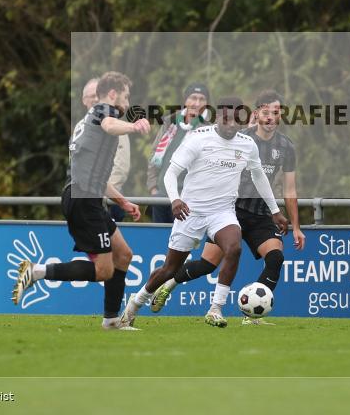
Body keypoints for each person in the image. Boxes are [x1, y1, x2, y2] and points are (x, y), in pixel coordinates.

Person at [121, 96, 282, 328]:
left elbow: (259, 177)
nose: (232, 124)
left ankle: (215, 308)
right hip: (191, 212)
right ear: (218, 117)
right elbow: (170, 173)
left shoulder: (247, 144)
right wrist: (175, 200)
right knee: (170, 269)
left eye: (237, 120)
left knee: (234, 248)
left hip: (222, 212)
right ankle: (134, 305)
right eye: (227, 119)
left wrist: (275, 210)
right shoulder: (198, 139)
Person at [149, 90, 305, 325]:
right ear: (256, 114)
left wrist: (295, 225)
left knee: (275, 258)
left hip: (261, 214)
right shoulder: (239, 136)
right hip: (230, 211)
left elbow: (290, 189)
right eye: (266, 112)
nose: (271, 117)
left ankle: (251, 315)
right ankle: (169, 284)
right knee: (206, 265)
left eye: (276, 112)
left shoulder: (286, 146)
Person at [12, 72, 150, 330]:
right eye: (126, 96)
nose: (128, 103)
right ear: (112, 94)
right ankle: (37, 271)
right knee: (104, 271)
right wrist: (133, 126)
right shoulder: (103, 112)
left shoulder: (88, 120)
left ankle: (111, 320)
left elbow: (94, 173)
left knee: (124, 254)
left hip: (88, 196)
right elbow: (110, 125)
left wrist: (121, 201)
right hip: (83, 199)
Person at [146, 82, 211, 223]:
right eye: (193, 98)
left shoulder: (210, 128)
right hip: (163, 194)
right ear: (185, 100)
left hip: (190, 199)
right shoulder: (171, 121)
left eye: (202, 99)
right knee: (159, 237)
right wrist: (153, 188)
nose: (197, 103)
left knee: (182, 243)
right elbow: (155, 153)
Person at [83, 78, 134, 223]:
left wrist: (106, 195)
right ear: (84, 100)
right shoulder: (83, 125)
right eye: (91, 96)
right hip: (87, 195)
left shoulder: (114, 123)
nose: (95, 99)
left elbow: (121, 166)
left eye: (96, 95)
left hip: (107, 196)